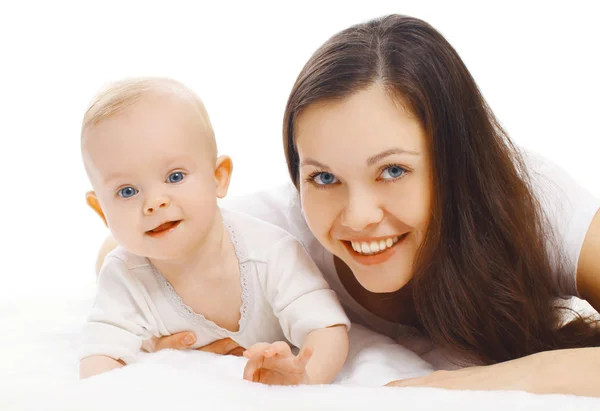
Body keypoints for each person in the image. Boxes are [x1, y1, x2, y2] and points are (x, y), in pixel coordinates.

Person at [95, 15, 600, 396]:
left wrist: (483, 383)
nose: (358, 216)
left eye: (394, 171)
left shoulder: (532, 203)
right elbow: (116, 249)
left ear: (455, 162)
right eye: (324, 177)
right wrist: (173, 338)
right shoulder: (282, 235)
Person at [79, 77, 351, 384]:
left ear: (218, 177)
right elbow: (100, 357)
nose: (154, 203)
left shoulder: (272, 253)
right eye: (127, 191)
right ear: (102, 210)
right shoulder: (123, 276)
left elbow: (327, 328)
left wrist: (304, 377)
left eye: (175, 176)